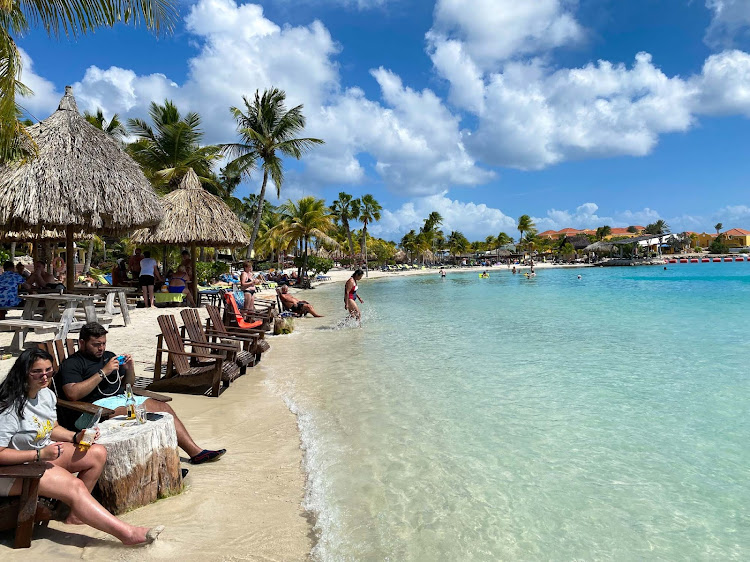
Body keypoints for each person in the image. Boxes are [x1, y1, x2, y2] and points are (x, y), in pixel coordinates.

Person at [0, 348, 163, 545]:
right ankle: (127, 534)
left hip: (38, 455)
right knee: (74, 485)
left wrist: (76, 436)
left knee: (96, 454)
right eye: (37, 371)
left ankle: (75, 515)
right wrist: (39, 454)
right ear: (24, 372)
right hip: (12, 470)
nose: (44, 376)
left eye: (48, 370)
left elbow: (52, 428)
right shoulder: (9, 407)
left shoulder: (46, 395)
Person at [58, 322, 225, 465]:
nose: (101, 348)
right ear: (81, 342)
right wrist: (103, 372)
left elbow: (128, 384)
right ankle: (163, 463)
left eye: (103, 343)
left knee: (163, 407)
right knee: (145, 413)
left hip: (119, 399)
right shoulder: (72, 364)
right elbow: (72, 394)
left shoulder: (108, 356)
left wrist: (130, 369)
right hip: (91, 410)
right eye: (96, 344)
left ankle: (194, 452)